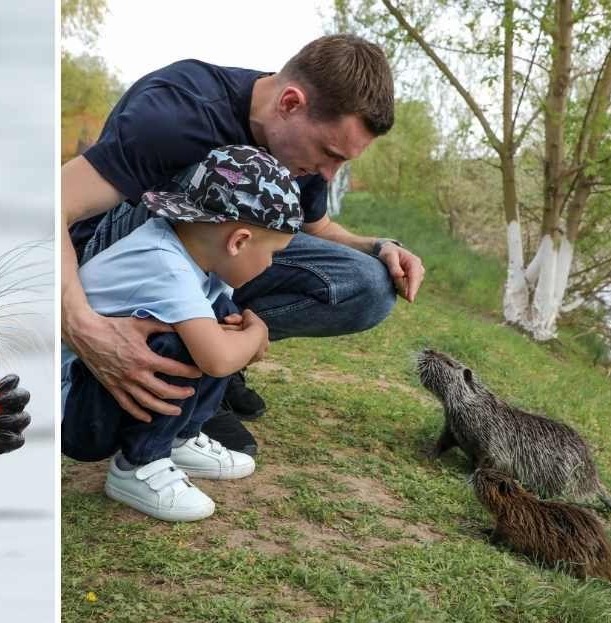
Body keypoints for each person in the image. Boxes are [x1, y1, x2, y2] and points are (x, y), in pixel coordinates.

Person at [61, 34, 426, 456]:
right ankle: (159, 368)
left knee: (370, 285)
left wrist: (380, 247)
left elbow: (318, 228)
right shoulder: (176, 111)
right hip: (117, 257)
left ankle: (207, 363)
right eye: (329, 153)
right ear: (290, 103)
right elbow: (54, 207)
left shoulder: (303, 155)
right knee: (186, 210)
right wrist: (83, 326)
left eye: (342, 162)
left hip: (209, 270)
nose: (328, 174)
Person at [62, 145, 302, 521]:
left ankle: (179, 438)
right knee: (190, 343)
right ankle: (138, 464)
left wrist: (237, 332)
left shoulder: (196, 257)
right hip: (74, 410)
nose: (270, 265)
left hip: (104, 392)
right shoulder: (165, 265)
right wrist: (256, 336)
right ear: (238, 241)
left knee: (220, 317)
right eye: (272, 253)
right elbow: (217, 358)